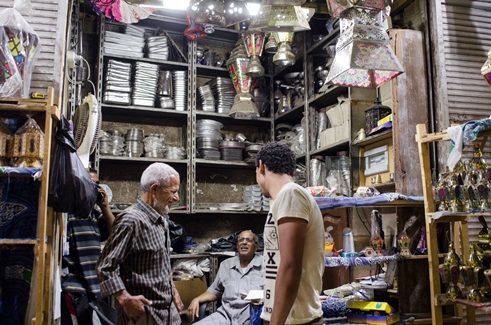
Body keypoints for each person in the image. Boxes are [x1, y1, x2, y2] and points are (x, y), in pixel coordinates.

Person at [97, 162, 185, 325]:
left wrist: (173, 291)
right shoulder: (131, 220)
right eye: (173, 191)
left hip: (168, 314)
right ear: (154, 189)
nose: (177, 198)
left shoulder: (161, 219)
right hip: (143, 315)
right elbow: (105, 267)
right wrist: (124, 298)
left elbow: (162, 264)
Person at [255, 142, 324, 325]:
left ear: (261, 167)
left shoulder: (290, 194)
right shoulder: (283, 199)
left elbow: (290, 266)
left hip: (295, 320)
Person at [61, 168, 115, 324]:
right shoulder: (71, 212)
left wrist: (105, 207)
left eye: (97, 184)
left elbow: (116, 233)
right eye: (89, 183)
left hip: (91, 290)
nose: (94, 188)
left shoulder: (93, 213)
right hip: (76, 289)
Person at [187, 230, 263, 325]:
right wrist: (196, 299)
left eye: (248, 240)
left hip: (250, 319)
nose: (244, 242)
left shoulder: (264, 266)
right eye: (241, 240)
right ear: (237, 245)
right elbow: (214, 291)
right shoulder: (226, 265)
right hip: (225, 316)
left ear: (255, 246)